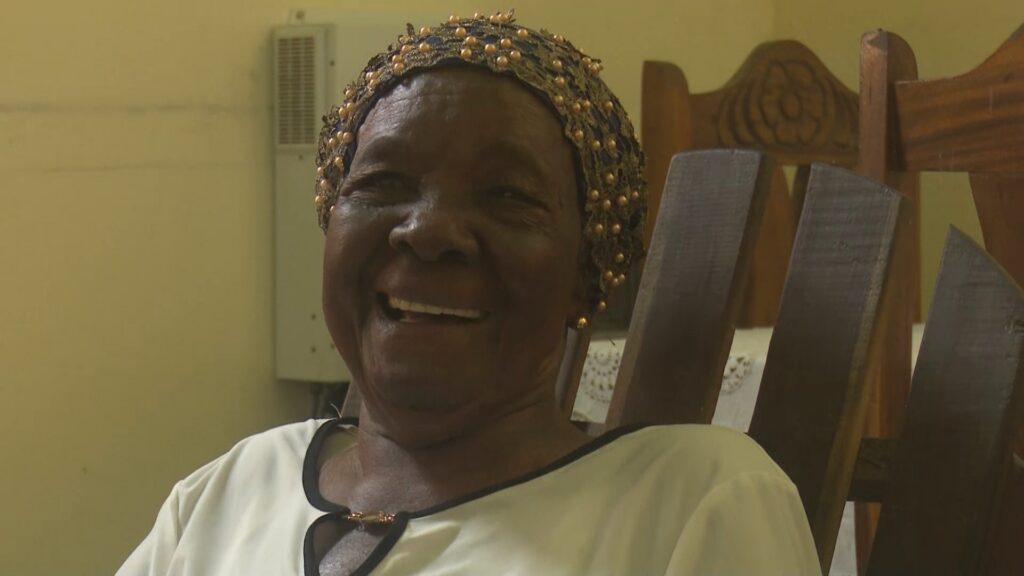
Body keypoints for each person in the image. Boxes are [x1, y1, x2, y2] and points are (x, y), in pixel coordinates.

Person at [118, 12, 821, 575]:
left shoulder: (694, 500)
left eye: (508, 196)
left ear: (589, 273)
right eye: (383, 183)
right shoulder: (229, 492)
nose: (428, 232)